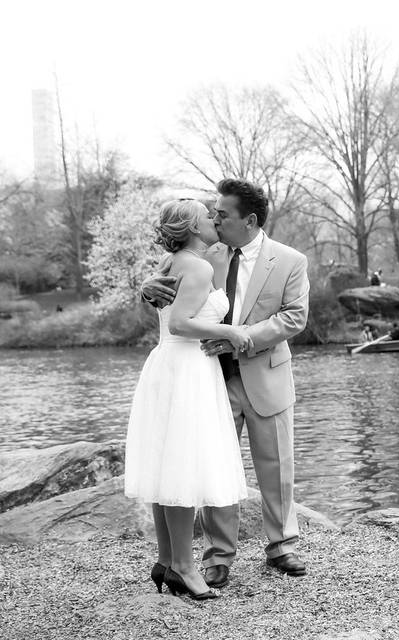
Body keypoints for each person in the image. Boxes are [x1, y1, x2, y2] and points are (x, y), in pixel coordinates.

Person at [141, 179, 310, 585]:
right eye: (212, 213)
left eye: (222, 214)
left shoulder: (290, 260)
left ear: (248, 220)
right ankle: (219, 555)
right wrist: (146, 290)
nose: (215, 218)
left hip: (264, 372)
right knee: (214, 465)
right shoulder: (205, 255)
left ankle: (282, 546)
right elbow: (171, 291)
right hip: (210, 377)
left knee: (276, 465)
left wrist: (243, 336)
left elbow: (294, 318)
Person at [125, 199, 249, 600]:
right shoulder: (197, 265)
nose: (214, 218)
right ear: (193, 227)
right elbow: (179, 323)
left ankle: (166, 559)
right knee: (181, 466)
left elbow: (168, 315)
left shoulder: (170, 262)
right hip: (187, 368)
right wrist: (230, 333)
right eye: (206, 215)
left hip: (168, 365)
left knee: (167, 466)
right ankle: (182, 566)